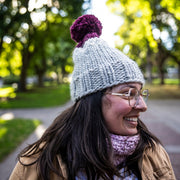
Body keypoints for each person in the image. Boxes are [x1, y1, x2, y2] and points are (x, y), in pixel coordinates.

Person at [9, 14, 176, 180]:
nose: (142, 106)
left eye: (140, 93)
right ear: (92, 99)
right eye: (129, 93)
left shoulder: (154, 154)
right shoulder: (38, 163)